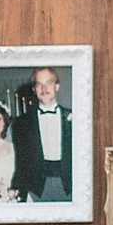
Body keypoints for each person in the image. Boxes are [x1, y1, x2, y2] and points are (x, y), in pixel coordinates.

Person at [12, 65, 73, 204]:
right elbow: (20, 163)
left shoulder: (75, 118)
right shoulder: (21, 123)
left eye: (48, 83)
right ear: (34, 90)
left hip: (69, 187)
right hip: (37, 188)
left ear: (57, 86)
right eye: (39, 84)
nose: (44, 89)